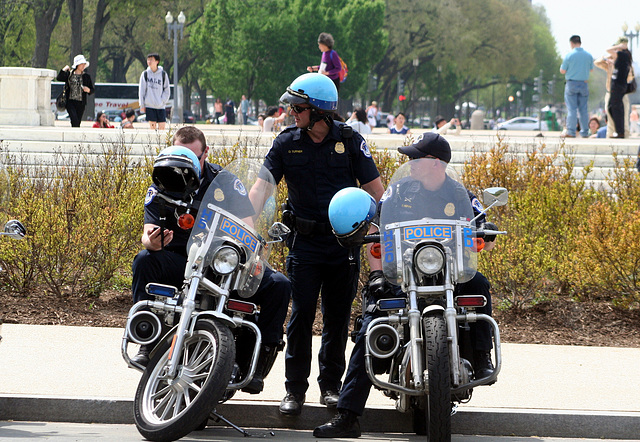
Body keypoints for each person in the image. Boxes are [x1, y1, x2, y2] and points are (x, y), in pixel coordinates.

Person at [314, 132, 497, 438]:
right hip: (403, 274)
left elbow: (483, 233)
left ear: (435, 163)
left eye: (415, 158)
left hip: (449, 274)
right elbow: (375, 231)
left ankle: (481, 358)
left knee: (479, 285)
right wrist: (376, 275)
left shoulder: (459, 193)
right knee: (372, 322)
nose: (409, 163)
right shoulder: (398, 191)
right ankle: (347, 416)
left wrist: (487, 230)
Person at [248, 73, 384, 417]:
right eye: (292, 106)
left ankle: (331, 387)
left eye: (298, 106)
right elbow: (261, 189)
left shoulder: (351, 141)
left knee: (337, 319)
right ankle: (294, 390)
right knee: (300, 317)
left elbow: (376, 192)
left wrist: (377, 227)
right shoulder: (285, 143)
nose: (292, 112)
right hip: (304, 244)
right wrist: (243, 226)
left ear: (319, 110)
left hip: (343, 245)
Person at [130, 126, 291, 393]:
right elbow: (147, 234)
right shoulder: (163, 178)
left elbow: (248, 225)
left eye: (195, 156)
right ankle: (148, 337)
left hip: (220, 263)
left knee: (280, 285)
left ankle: (255, 364)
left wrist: (251, 255)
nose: (188, 164)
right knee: (145, 259)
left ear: (206, 152)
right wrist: (153, 241)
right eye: (182, 154)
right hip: (181, 260)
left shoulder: (225, 181)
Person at [560, 35, 594, 138]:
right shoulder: (588, 55)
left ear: (571, 43)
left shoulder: (569, 55)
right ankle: (584, 132)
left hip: (571, 83)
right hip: (584, 83)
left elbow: (562, 71)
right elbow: (591, 69)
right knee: (583, 109)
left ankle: (571, 131)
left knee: (572, 109)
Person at [56, 54, 94, 128]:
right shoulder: (69, 74)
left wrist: (88, 90)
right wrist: (64, 69)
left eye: (84, 64)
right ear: (77, 65)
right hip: (70, 102)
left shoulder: (86, 77)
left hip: (81, 103)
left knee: (77, 122)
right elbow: (59, 77)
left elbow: (92, 90)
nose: (83, 66)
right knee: (74, 120)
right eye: (81, 64)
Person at [605, 37, 632, 138]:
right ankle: (619, 130)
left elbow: (608, 50)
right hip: (619, 84)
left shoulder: (623, 54)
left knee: (616, 108)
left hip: (618, 85)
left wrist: (619, 46)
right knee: (612, 107)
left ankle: (620, 132)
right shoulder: (624, 56)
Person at [138, 53, 170, 130]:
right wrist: (142, 104)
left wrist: (163, 101)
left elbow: (167, 89)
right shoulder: (145, 74)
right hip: (150, 105)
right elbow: (141, 90)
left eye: (151, 60)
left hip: (160, 106)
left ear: (157, 61)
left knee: (162, 127)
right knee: (152, 127)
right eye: (148, 59)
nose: (149, 61)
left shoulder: (163, 74)